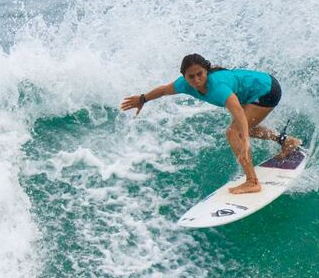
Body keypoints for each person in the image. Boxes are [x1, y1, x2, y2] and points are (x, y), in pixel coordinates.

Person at [120, 53, 301, 194]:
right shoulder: (184, 84)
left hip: (266, 90)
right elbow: (164, 90)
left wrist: (244, 138)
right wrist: (143, 99)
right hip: (257, 85)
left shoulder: (218, 88)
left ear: (206, 70)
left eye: (200, 74)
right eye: (191, 77)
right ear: (184, 76)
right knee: (244, 128)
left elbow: (237, 111)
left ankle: (252, 182)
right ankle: (286, 141)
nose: (197, 80)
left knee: (233, 132)